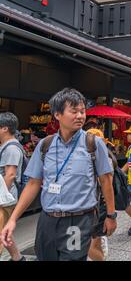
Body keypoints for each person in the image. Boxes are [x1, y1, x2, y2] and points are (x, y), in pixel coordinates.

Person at [1, 88, 117, 261]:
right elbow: (33, 183)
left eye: (82, 111)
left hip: (78, 221)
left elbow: (106, 181)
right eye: (74, 111)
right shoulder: (45, 145)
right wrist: (13, 219)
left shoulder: (93, 144)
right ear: (57, 115)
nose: (80, 116)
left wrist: (111, 215)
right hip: (47, 221)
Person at [86, 128, 114, 261]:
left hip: (99, 205)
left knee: (88, 246)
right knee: (92, 241)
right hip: (90, 206)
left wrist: (110, 214)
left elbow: (107, 183)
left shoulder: (106, 160)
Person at [0, 112, 25, 261]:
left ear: (4, 129)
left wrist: (1, 194)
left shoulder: (11, 148)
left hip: (5, 197)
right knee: (4, 230)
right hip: (5, 196)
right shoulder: (6, 146)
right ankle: (18, 258)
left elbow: (10, 175)